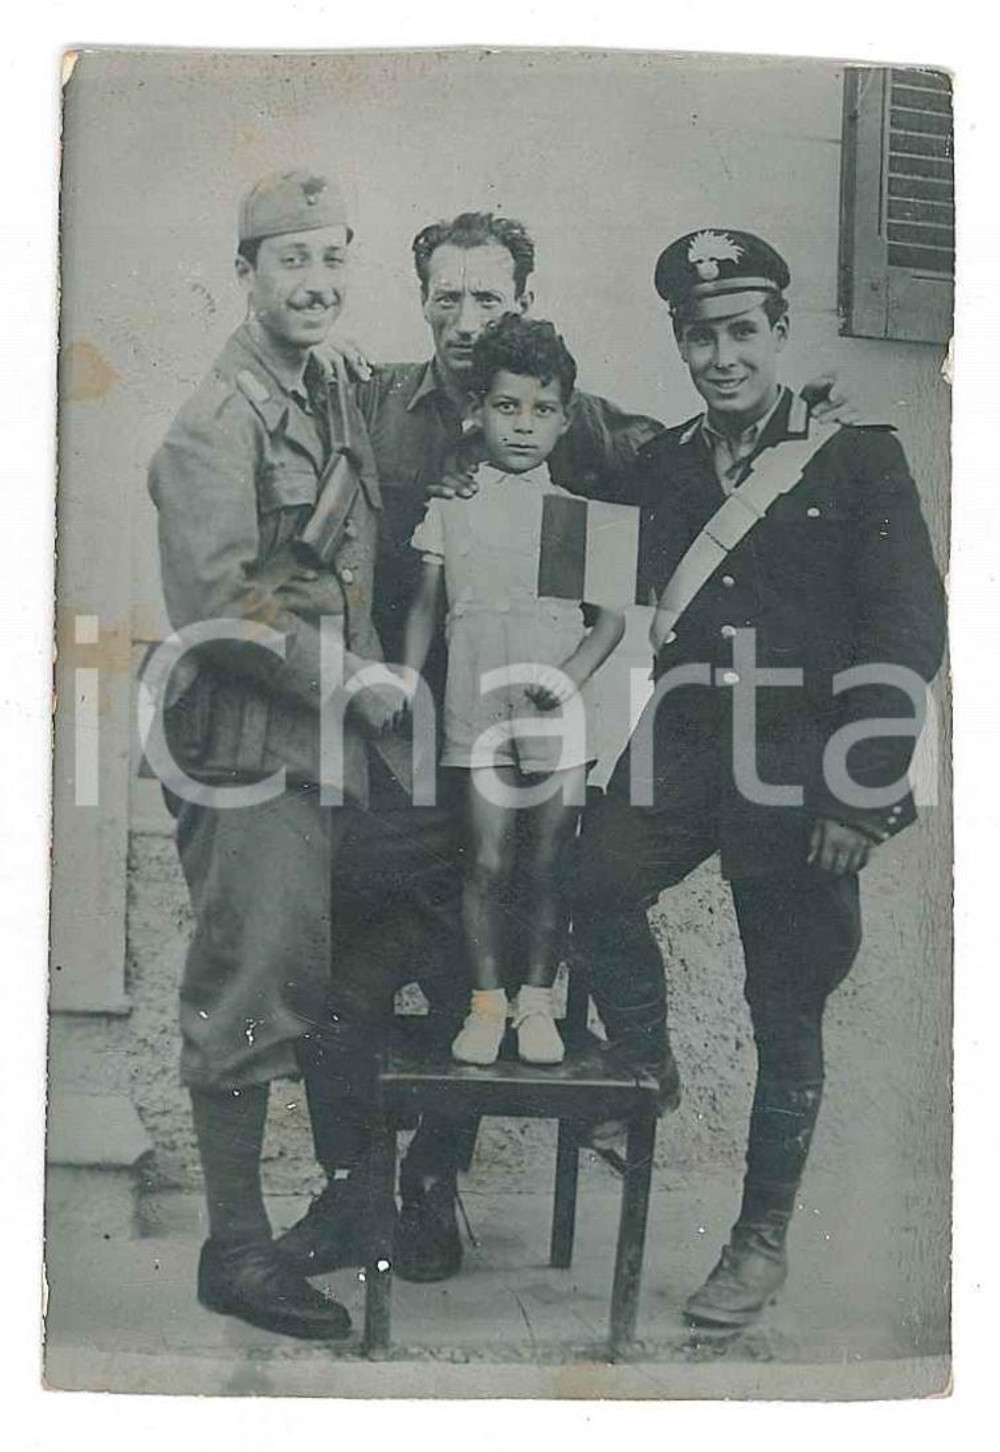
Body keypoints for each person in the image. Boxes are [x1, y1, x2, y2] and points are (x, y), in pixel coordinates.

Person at [282, 209, 864, 1285]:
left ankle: (429, 1189)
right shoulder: (372, 403)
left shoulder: (583, 425)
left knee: (491, 947)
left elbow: (697, 462)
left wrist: (801, 419)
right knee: (340, 967)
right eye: (447, 297)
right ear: (420, 302)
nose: (467, 319)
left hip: (518, 744)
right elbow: (306, 493)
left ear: (524, 305)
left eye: (489, 298)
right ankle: (349, 1190)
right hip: (402, 751)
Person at [570, 229, 946, 1329]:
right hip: (687, 742)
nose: (723, 357)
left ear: (780, 332)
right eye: (701, 338)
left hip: (802, 764)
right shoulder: (665, 463)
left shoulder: (857, 458)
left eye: (743, 332)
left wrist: (861, 793)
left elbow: (906, 631)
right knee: (589, 880)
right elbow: (556, 443)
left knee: (786, 1007)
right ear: (679, 345)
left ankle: (759, 1240)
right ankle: (647, 1065)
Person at [147, 169, 408, 1339]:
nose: (315, 281)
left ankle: (338, 1213)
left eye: (332, 258)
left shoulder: (327, 389)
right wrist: (352, 682)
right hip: (251, 750)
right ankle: (237, 1252)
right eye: (291, 260)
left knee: (308, 983)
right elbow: (222, 609)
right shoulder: (217, 422)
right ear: (245, 273)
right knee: (248, 993)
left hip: (324, 752)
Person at [404, 315, 627, 1065]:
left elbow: (609, 622)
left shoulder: (573, 513)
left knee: (549, 865)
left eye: (542, 409)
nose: (524, 425)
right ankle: (486, 1004)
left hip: (556, 712)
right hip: (478, 707)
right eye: (507, 407)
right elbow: (424, 608)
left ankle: (537, 1005)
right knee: (487, 861)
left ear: (565, 417)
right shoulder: (452, 504)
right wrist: (405, 681)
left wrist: (567, 679)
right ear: (478, 409)